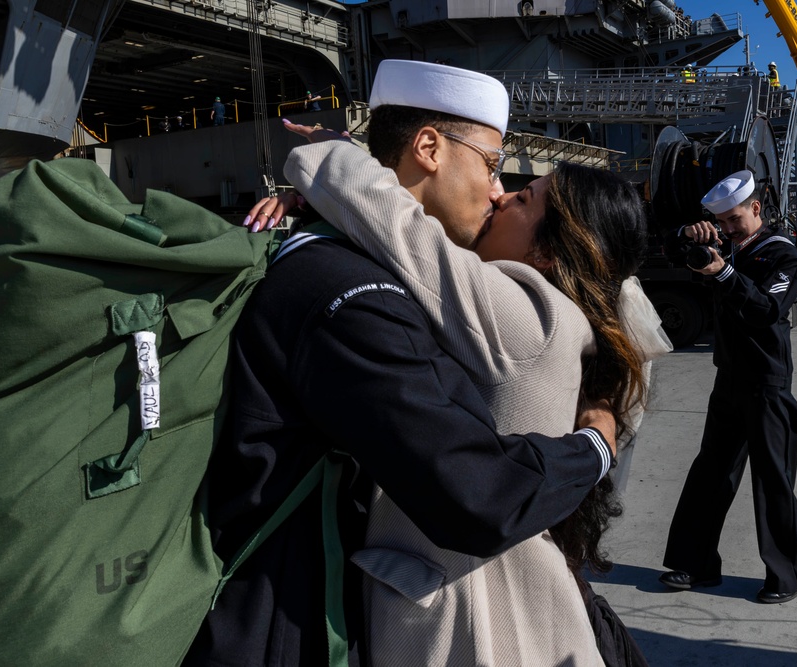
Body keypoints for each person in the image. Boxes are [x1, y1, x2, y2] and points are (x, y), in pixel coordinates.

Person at [185, 60, 622, 667]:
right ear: (428, 148)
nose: (499, 191)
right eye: (494, 167)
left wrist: (330, 180)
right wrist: (596, 446)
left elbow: (405, 236)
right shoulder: (358, 297)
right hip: (293, 621)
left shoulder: (374, 273)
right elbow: (475, 492)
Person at [658, 170, 797, 604]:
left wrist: (724, 272)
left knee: (773, 479)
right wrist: (685, 233)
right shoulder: (726, 247)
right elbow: (669, 249)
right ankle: (695, 564)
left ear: (756, 209)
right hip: (728, 378)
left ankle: (790, 574)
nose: (726, 229)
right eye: (720, 222)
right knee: (711, 472)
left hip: (767, 382)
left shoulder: (784, 257)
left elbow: (766, 310)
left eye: (733, 219)